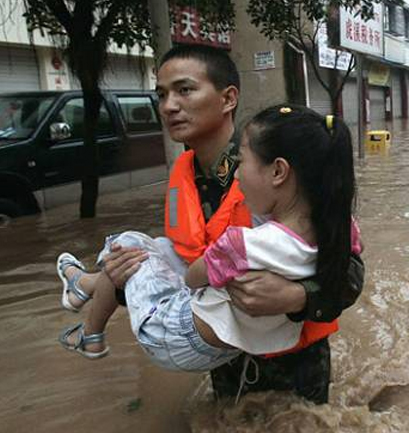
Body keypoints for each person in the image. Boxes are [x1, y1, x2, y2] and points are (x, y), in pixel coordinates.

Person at [57, 44, 365, 405]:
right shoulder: (183, 175)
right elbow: (187, 271)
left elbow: (350, 271)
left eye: (185, 90)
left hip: (292, 363)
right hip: (219, 352)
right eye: (161, 94)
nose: (169, 106)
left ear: (228, 98)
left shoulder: (276, 168)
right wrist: (123, 276)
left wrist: (297, 297)